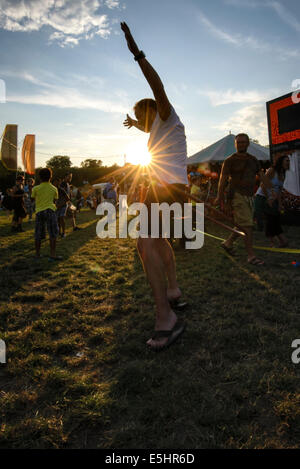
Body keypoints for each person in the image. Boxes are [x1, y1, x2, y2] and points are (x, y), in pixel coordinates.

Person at [121, 21, 187, 351]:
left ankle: (166, 318)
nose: (139, 118)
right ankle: (172, 290)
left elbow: (157, 89)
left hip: (167, 188)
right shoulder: (157, 128)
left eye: (139, 113)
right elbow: (149, 130)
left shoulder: (165, 112)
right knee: (153, 243)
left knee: (146, 245)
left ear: (152, 108)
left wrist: (138, 54)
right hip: (168, 188)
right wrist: (136, 126)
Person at [214, 133, 272, 265]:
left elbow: (262, 176)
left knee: (243, 223)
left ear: (248, 143)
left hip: (249, 196)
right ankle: (251, 256)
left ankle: (228, 243)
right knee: (247, 225)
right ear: (235, 144)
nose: (241, 144)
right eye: (238, 142)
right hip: (236, 195)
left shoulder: (253, 160)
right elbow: (222, 180)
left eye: (243, 142)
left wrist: (271, 191)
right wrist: (219, 196)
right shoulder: (229, 160)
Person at [254, 154, 290, 247]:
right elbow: (263, 185)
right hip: (262, 197)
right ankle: (279, 241)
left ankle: (276, 242)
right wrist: (268, 198)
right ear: (281, 162)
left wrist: (279, 204)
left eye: (289, 161)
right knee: (261, 220)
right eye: (286, 161)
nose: (288, 163)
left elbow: (279, 190)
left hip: (272, 198)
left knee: (273, 218)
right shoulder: (272, 170)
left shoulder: (283, 173)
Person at [31, 168, 61, 260]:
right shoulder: (54, 188)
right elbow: (55, 201)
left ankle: (37, 254)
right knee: (52, 234)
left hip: (39, 212)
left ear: (39, 177)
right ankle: (52, 255)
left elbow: (32, 199)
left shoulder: (35, 188)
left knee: (38, 234)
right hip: (50, 211)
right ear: (50, 177)